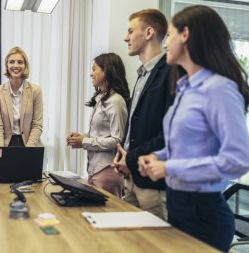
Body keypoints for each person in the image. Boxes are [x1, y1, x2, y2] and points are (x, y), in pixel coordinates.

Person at [138, 5, 249, 252]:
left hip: (205, 215)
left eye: (170, 35)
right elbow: (186, 146)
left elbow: (238, 159)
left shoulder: (219, 89)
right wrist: (159, 156)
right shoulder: (184, 87)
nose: (165, 44)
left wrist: (169, 166)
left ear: (185, 35)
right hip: (178, 207)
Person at [113, 9, 174, 219]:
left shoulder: (171, 73)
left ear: (148, 32)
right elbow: (134, 124)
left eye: (130, 31)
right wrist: (122, 155)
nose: (125, 37)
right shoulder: (141, 76)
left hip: (152, 183)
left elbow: (167, 135)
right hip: (130, 177)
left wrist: (130, 159)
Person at [67, 53, 130, 197]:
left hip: (107, 170)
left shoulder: (116, 101)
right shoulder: (102, 98)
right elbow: (101, 134)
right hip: (95, 170)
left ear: (106, 71)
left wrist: (85, 142)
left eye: (94, 69)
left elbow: (117, 140)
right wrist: (81, 137)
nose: (91, 73)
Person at [0, 47, 43, 147]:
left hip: (30, 144)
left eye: (20, 62)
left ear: (25, 66)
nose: (15, 65)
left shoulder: (36, 91)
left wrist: (27, 151)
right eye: (11, 62)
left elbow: (37, 125)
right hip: (6, 144)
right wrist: (1, 153)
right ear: (7, 65)